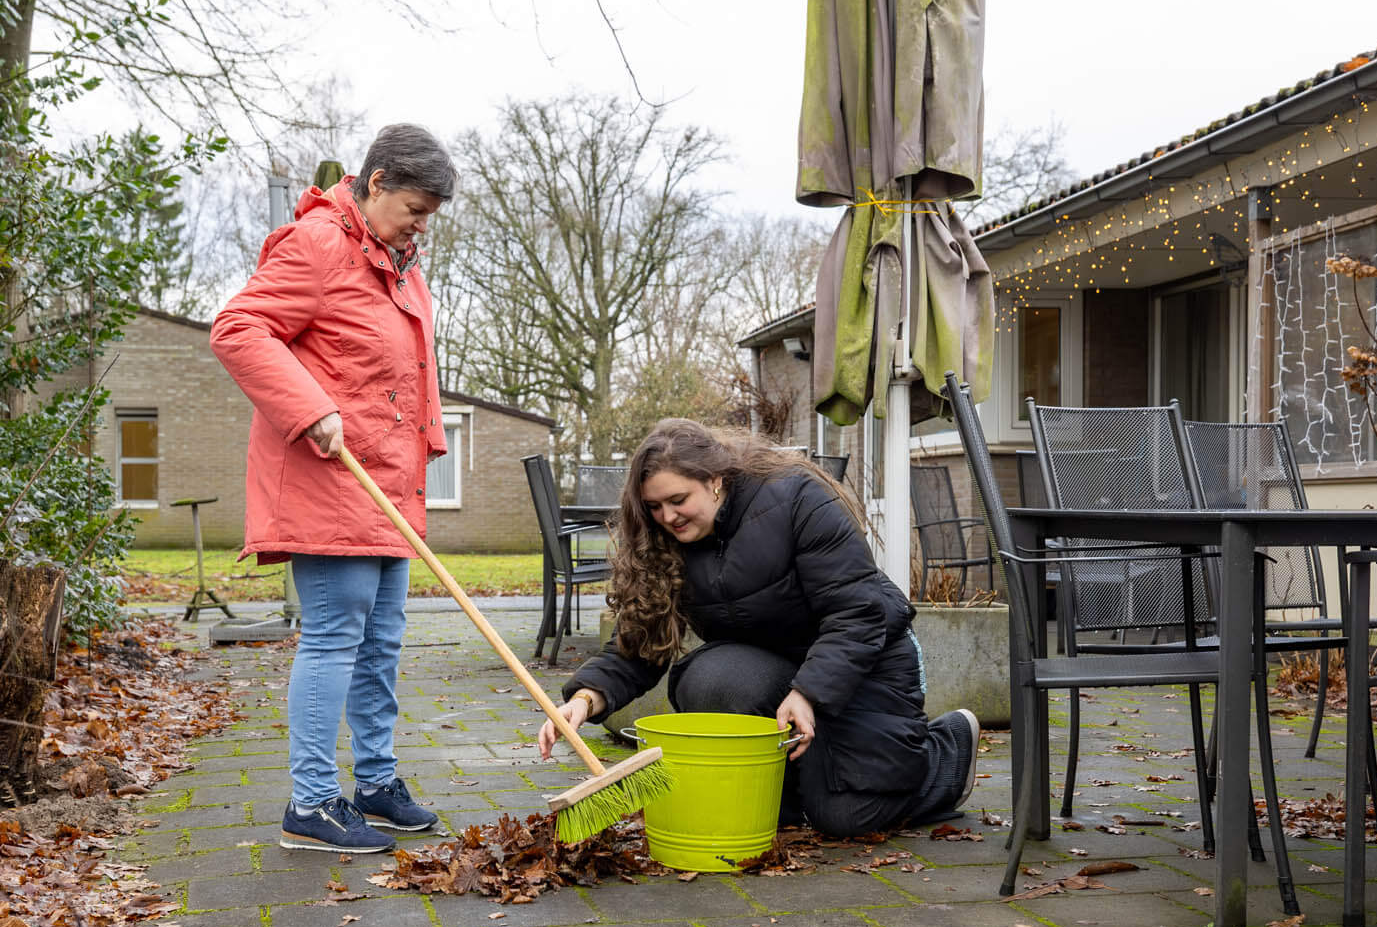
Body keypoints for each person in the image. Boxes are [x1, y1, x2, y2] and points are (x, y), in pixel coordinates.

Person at [536, 419, 979, 837]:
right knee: (713, 681)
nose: (667, 517)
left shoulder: (796, 498)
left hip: (866, 661)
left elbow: (859, 613)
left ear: (714, 479)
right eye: (653, 507)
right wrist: (586, 698)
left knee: (847, 818)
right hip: (771, 671)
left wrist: (808, 692)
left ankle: (946, 748)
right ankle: (792, 787)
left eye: (678, 500)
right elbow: (642, 640)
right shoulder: (663, 542)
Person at [210, 125, 455, 853]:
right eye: (413, 208)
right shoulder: (317, 245)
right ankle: (311, 803)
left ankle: (375, 784)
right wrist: (309, 406)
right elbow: (238, 327)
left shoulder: (401, 265)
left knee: (381, 642)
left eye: (429, 216)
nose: (420, 226)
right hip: (330, 479)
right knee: (335, 636)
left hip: (388, 485)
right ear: (374, 182)